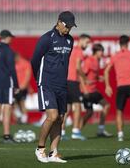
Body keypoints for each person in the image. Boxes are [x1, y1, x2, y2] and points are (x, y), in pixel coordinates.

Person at [31, 11, 76, 163]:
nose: (68, 29)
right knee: (52, 116)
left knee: (60, 119)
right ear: (59, 22)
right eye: (67, 26)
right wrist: (38, 78)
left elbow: (65, 62)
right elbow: (35, 60)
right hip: (47, 83)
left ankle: (53, 153)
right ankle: (40, 148)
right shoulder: (46, 38)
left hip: (62, 85)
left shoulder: (70, 40)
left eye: (71, 27)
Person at [61, 33, 91, 141]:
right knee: (77, 106)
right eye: (87, 42)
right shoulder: (79, 51)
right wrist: (85, 78)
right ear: (81, 40)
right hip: (73, 81)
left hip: (65, 81)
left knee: (67, 108)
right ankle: (75, 132)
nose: (87, 45)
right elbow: (78, 68)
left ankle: (62, 132)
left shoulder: (71, 49)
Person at [79, 43, 112, 137]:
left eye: (102, 51)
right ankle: (77, 131)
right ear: (95, 51)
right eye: (100, 51)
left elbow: (92, 75)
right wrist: (84, 90)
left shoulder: (97, 61)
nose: (102, 53)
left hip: (94, 90)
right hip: (87, 91)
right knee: (89, 112)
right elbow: (81, 76)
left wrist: (98, 78)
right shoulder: (89, 61)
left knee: (106, 105)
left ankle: (101, 130)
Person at [14, 53, 31, 124]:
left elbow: (28, 75)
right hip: (14, 87)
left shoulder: (25, 63)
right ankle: (19, 118)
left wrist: (24, 85)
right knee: (14, 103)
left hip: (22, 87)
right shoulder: (13, 63)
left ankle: (24, 119)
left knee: (22, 102)